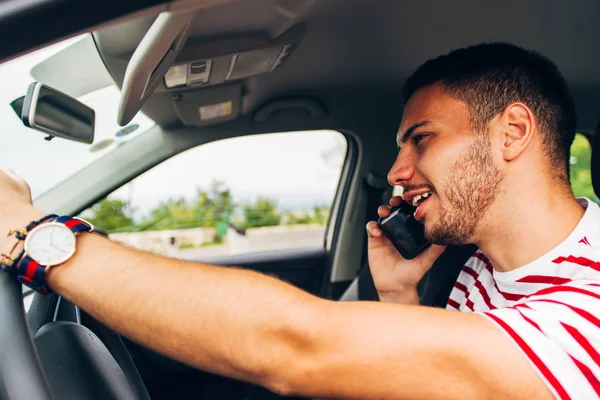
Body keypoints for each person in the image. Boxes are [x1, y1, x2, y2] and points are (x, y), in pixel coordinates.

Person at [0, 42, 596, 399]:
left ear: (513, 132)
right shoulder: (483, 264)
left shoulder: (584, 315)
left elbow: (294, 344)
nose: (396, 171)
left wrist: (34, 239)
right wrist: (397, 298)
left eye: (422, 139)